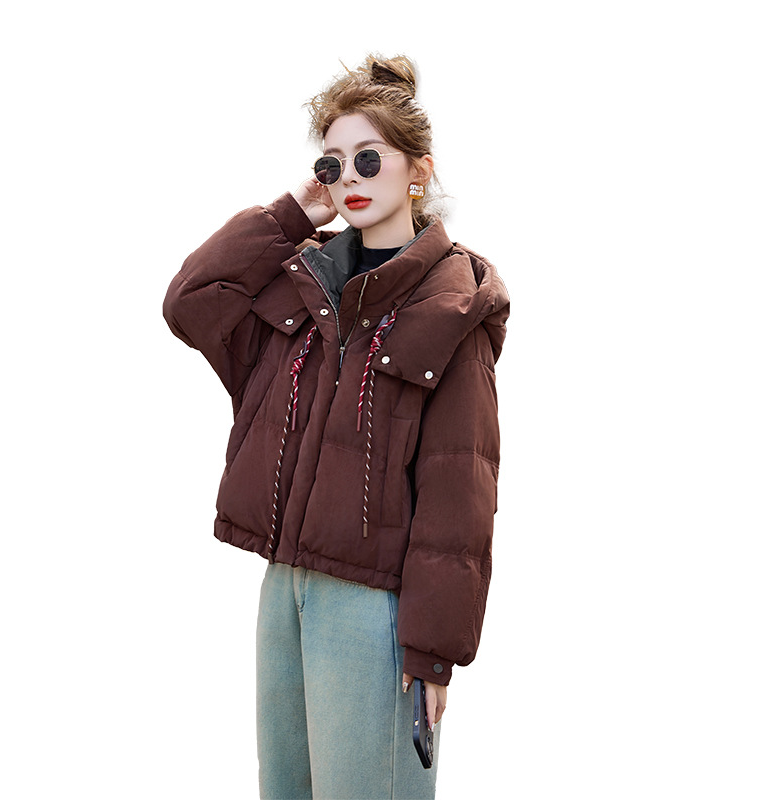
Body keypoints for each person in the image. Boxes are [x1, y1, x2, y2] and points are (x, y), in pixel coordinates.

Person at [163, 54, 510, 800]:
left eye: (368, 158)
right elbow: (190, 303)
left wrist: (434, 648)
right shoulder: (301, 283)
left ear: (417, 171)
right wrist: (291, 213)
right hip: (283, 588)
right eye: (332, 162)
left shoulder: (452, 307)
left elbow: (459, 487)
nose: (347, 176)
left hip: (374, 607)